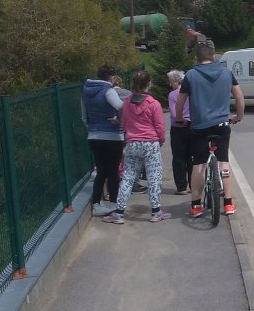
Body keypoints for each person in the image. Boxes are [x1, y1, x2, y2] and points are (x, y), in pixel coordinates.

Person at [176, 41, 245, 218]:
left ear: (197, 57)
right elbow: (239, 97)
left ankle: (196, 205)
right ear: (213, 56)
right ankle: (228, 204)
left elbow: (180, 102)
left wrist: (180, 118)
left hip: (199, 127)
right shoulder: (226, 73)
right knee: (223, 162)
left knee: (198, 165)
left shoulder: (190, 75)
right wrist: (238, 116)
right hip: (222, 125)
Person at [103, 70, 170, 224]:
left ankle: (119, 213)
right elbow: (159, 126)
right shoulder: (154, 104)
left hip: (132, 143)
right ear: (149, 84)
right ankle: (156, 211)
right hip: (150, 143)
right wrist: (160, 140)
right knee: (154, 177)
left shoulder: (126, 103)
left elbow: (124, 122)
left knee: (127, 177)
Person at [81, 65, 125, 216]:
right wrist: (118, 120)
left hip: (94, 136)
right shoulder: (109, 90)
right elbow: (122, 106)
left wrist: (92, 128)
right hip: (112, 137)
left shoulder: (86, 92)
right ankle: (113, 203)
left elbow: (84, 116)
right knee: (113, 171)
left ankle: (97, 205)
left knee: (101, 171)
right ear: (112, 77)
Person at [167, 69, 192, 195]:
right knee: (191, 156)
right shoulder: (191, 92)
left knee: (178, 157)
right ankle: (194, 184)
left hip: (178, 127)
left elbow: (173, 112)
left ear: (176, 81)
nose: (170, 84)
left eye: (171, 81)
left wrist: (180, 119)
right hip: (191, 125)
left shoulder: (173, 95)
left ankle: (182, 187)